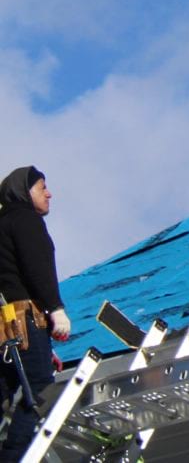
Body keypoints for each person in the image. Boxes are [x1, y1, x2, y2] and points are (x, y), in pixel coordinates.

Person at [1, 167, 69, 463]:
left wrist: (44, 345)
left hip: (6, 327)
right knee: (40, 384)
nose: (49, 193)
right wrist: (56, 309)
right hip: (25, 321)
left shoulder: (3, 224)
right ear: (24, 192)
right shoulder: (25, 220)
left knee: (4, 388)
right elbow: (37, 270)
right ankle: (14, 455)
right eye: (43, 187)